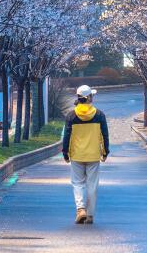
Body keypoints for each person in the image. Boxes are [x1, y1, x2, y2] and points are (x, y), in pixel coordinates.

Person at [62, 84, 109, 224]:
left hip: (77, 155)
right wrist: (105, 152)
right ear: (88, 97)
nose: (92, 97)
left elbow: (67, 136)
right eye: (92, 95)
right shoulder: (99, 115)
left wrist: (66, 153)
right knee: (92, 184)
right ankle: (89, 215)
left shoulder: (71, 116)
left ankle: (80, 209)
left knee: (77, 183)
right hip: (93, 155)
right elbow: (104, 135)